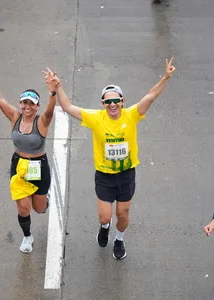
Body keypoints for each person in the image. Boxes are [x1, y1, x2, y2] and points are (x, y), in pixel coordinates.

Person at [43, 58, 176, 259]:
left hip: (126, 175)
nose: (112, 104)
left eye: (116, 101)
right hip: (105, 176)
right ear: (103, 104)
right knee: (105, 216)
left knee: (122, 214)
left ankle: (119, 239)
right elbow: (69, 107)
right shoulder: (96, 118)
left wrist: (165, 77)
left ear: (122, 102)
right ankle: (105, 226)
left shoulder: (131, 115)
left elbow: (150, 96)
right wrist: (58, 87)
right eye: (108, 101)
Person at [0, 63, 56, 253]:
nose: (27, 106)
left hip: (39, 166)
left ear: (37, 106)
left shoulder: (42, 122)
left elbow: (50, 111)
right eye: (24, 102)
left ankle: (45, 199)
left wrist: (53, 93)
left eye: (32, 103)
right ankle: (27, 237)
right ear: (20, 104)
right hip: (18, 165)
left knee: (39, 209)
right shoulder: (15, 116)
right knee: (23, 208)